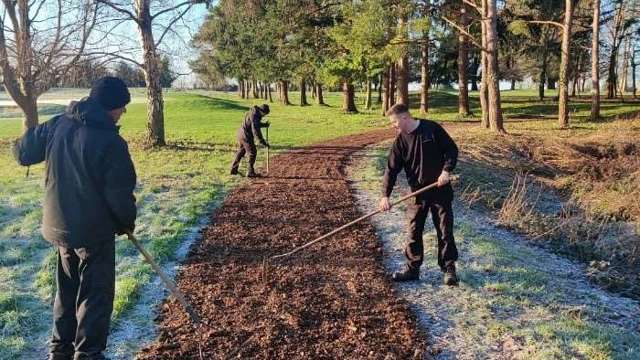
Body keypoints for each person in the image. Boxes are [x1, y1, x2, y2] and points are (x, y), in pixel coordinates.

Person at [13, 77, 137, 360]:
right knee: (95, 294)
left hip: (60, 227)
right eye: (122, 107)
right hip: (94, 233)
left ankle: (60, 350)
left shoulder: (59, 123)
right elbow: (119, 195)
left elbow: (22, 152)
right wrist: (125, 223)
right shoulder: (111, 142)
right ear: (110, 107)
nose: (123, 113)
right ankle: (89, 354)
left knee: (67, 290)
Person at [378, 103, 460, 285]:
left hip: (440, 190)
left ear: (405, 118)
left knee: (445, 230)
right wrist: (385, 195)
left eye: (394, 122)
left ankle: (449, 269)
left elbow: (451, 150)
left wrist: (446, 171)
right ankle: (412, 269)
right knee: (414, 231)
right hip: (417, 192)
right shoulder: (400, 141)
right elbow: (391, 170)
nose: (394, 126)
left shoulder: (432, 129)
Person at [230, 104, 270, 177]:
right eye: (264, 114)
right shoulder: (255, 116)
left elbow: (254, 124)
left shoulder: (253, 112)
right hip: (246, 136)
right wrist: (262, 142)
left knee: (241, 152)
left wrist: (264, 125)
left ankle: (233, 170)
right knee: (252, 152)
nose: (264, 116)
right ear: (262, 111)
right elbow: (256, 130)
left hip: (241, 134)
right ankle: (250, 172)